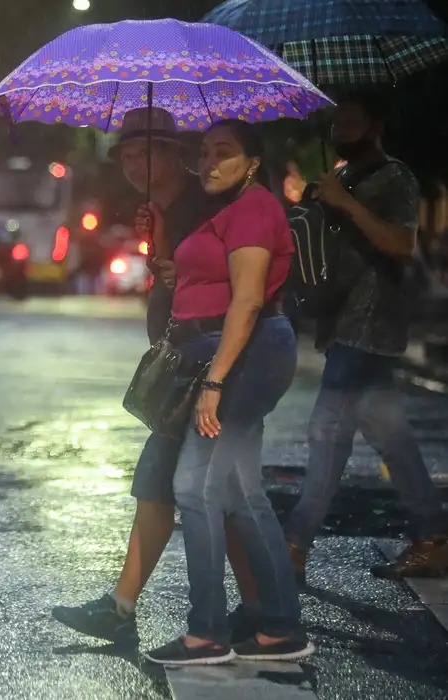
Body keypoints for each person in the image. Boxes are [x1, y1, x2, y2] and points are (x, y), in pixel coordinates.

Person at [52, 108, 261, 643]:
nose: (132, 164)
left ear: (173, 154)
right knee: (218, 488)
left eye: (144, 154)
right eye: (125, 155)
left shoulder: (206, 202)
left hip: (206, 361)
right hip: (185, 356)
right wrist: (160, 244)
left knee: (168, 480)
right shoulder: (165, 206)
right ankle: (263, 605)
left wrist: (170, 259)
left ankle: (133, 610)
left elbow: (219, 284)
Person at [143, 119, 312, 665]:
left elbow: (246, 302)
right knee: (239, 490)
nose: (210, 162)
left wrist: (214, 380)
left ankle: (207, 633)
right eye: (205, 152)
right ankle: (280, 626)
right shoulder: (221, 211)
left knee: (194, 485)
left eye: (225, 152)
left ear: (253, 162)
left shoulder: (255, 208)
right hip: (224, 352)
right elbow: (201, 282)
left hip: (247, 353)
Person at [284, 90, 448, 580]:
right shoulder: (341, 177)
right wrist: (322, 203)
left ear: (376, 128)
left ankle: (293, 545)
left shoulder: (396, 177)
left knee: (326, 432)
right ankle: (432, 537)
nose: (341, 132)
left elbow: (401, 243)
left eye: (352, 124)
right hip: (343, 323)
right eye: (338, 124)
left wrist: (346, 205)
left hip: (369, 322)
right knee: (391, 437)